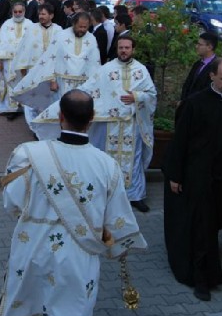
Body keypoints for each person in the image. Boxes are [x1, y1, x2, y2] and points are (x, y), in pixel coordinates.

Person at [0, 90, 147, 316]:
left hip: (33, 247)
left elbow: (12, 203)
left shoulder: (29, 154)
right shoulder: (108, 166)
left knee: (27, 309)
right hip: (79, 256)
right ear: (93, 117)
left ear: (60, 116)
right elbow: (117, 221)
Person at [32, 36, 157, 212]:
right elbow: (88, 89)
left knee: (133, 161)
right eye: (121, 47)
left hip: (131, 124)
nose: (123, 50)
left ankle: (135, 196)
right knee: (107, 159)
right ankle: (107, 196)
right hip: (110, 125)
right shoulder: (107, 69)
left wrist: (137, 97)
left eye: (127, 48)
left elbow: (151, 95)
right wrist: (65, 105)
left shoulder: (141, 70)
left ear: (132, 49)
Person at [164, 58, 222, 301]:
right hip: (197, 175)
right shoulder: (194, 103)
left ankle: (206, 267)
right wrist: (175, 175)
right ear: (212, 76)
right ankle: (201, 279)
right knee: (201, 225)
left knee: (211, 226)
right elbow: (180, 141)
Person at [12, 13, 100, 113]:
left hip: (82, 84)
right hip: (61, 82)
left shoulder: (92, 39)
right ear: (74, 24)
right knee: (60, 110)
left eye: (85, 27)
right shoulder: (61, 36)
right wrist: (52, 80)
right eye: (80, 26)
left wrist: (92, 84)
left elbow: (95, 64)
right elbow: (51, 59)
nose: (82, 30)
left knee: (77, 111)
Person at [0, 2, 35, 119]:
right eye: (16, 12)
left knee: (22, 83)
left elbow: (33, 44)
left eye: (20, 12)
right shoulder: (7, 24)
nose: (18, 14)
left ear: (24, 12)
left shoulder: (30, 25)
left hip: (23, 62)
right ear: (12, 12)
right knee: (9, 82)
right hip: (8, 61)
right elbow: (0, 43)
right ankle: (9, 108)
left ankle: (22, 106)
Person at [11, 3, 58, 131]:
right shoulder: (32, 29)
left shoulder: (59, 31)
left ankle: (44, 125)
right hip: (33, 71)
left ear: (51, 15)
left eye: (44, 14)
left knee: (48, 101)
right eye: (40, 14)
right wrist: (23, 69)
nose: (41, 16)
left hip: (52, 73)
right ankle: (33, 127)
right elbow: (24, 49)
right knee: (31, 99)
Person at [179, 32, 218, 102]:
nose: (196, 47)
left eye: (200, 45)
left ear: (209, 47)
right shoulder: (198, 64)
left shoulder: (216, 67)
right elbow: (187, 84)